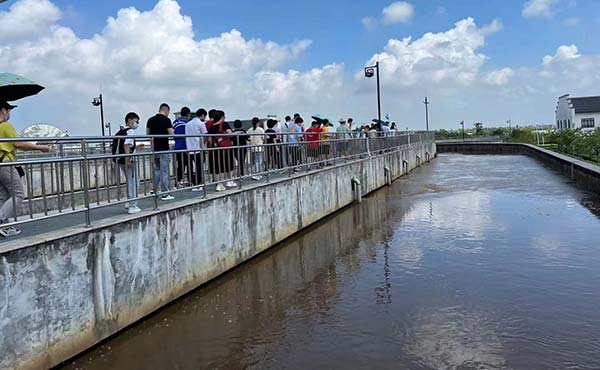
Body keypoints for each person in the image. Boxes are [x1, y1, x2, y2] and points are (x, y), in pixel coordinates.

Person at [0, 101, 50, 237]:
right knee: (18, 194)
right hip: (6, 164)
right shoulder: (5, 125)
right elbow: (18, 144)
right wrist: (40, 148)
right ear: (3, 110)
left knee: (3, 197)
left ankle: (5, 226)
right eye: (9, 110)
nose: (9, 113)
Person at [115, 112, 145, 214]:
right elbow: (127, 145)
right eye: (136, 121)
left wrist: (136, 147)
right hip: (129, 160)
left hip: (121, 160)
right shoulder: (131, 131)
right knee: (134, 182)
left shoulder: (122, 130)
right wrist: (128, 159)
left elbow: (126, 145)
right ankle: (133, 205)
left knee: (129, 181)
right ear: (130, 120)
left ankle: (129, 202)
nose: (137, 123)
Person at [146, 103, 174, 201]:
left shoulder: (150, 120)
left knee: (157, 169)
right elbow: (172, 134)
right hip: (164, 148)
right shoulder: (166, 120)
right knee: (165, 171)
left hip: (154, 149)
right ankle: (165, 193)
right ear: (166, 111)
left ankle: (154, 190)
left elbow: (147, 133)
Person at [207, 110, 235, 191]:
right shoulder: (224, 124)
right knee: (224, 166)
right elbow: (230, 134)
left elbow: (209, 140)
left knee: (217, 167)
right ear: (222, 117)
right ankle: (222, 183)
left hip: (215, 149)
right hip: (225, 149)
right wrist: (237, 133)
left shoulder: (212, 127)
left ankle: (218, 183)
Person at [185, 108, 208, 192]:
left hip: (189, 148)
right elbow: (205, 135)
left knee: (190, 167)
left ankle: (192, 183)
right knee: (199, 167)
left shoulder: (187, 124)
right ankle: (199, 184)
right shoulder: (201, 124)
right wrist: (204, 145)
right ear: (202, 115)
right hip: (198, 148)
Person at [173, 107, 191, 187]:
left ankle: (178, 181)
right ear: (188, 114)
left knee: (180, 165)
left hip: (177, 146)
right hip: (185, 146)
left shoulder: (175, 122)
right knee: (188, 164)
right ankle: (190, 181)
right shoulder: (187, 123)